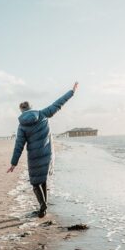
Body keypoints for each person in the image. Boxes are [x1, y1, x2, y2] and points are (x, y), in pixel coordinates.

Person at [7, 82, 78, 217]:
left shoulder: (22, 126)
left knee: (35, 183)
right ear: (31, 107)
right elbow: (58, 103)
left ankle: (42, 206)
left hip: (33, 156)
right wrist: (72, 92)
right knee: (43, 180)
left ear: (21, 111)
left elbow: (19, 145)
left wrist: (13, 163)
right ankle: (43, 207)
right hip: (47, 154)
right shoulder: (43, 113)